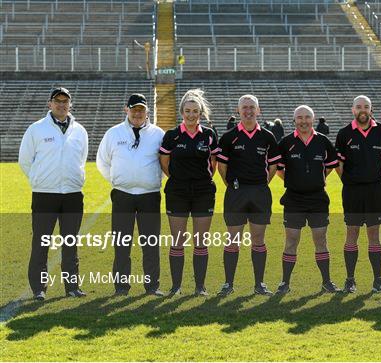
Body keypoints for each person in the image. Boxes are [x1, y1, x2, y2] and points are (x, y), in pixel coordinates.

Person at [19, 87, 88, 300]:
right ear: (49, 104)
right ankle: (39, 289)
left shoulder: (80, 131)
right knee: (41, 242)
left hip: (72, 195)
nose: (61, 105)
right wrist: (40, 180)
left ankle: (72, 287)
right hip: (44, 195)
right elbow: (25, 161)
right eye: (57, 101)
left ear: (70, 104)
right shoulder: (36, 129)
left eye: (65, 101)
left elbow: (82, 159)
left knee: (70, 243)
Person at [96, 94, 165, 296]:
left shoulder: (158, 134)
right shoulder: (113, 133)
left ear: (147, 112)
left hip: (149, 195)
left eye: (141, 109)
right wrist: (120, 180)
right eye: (134, 109)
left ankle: (152, 286)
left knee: (151, 243)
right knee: (121, 243)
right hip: (122, 195)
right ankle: (121, 287)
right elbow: (102, 162)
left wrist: (150, 179)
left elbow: (164, 163)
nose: (137, 113)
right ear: (126, 110)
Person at [216, 94, 281, 296]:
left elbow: (273, 166)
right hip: (236, 193)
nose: (248, 111)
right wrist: (234, 185)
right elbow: (221, 167)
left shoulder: (268, 137)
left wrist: (260, 184)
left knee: (258, 239)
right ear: (238, 111)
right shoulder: (228, 137)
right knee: (232, 239)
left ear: (258, 111)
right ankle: (228, 284)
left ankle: (259, 284)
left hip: (260, 193)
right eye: (244, 107)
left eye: (252, 107)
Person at [159, 89, 219, 296]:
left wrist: (202, 179)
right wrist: (179, 179)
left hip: (203, 191)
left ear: (201, 113)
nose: (191, 115)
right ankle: (176, 286)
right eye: (187, 111)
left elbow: (214, 163)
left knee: (201, 241)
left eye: (195, 111)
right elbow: (164, 163)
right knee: (178, 240)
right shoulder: (172, 135)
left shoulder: (209, 135)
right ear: (181, 112)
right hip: (177, 192)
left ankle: (199, 286)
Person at [275, 105, 341, 294]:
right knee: (291, 241)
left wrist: (316, 179)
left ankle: (327, 282)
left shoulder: (323, 141)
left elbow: (330, 166)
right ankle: (285, 283)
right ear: (294, 120)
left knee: (320, 239)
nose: (303, 121)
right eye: (299, 118)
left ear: (312, 120)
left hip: (318, 199)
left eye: (307, 117)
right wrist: (294, 181)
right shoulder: (286, 142)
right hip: (293, 199)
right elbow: (279, 169)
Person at [335, 95, 381, 293]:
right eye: (359, 107)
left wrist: (380, 175)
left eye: (366, 107)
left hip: (375, 190)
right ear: (353, 110)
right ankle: (350, 279)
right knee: (351, 233)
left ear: (371, 109)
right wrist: (350, 180)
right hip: (352, 191)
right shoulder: (344, 133)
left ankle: (378, 279)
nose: (363, 110)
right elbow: (339, 164)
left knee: (374, 235)